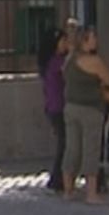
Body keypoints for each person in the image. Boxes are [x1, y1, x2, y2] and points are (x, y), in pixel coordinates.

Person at [62, 25, 109, 204]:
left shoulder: (70, 58)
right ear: (85, 40)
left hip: (70, 107)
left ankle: (68, 190)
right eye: (93, 37)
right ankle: (91, 193)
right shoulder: (93, 61)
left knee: (72, 148)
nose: (96, 40)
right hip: (90, 109)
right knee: (90, 149)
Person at [39, 27, 69, 191]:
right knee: (64, 144)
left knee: (64, 143)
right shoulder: (57, 62)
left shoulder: (51, 61)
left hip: (53, 107)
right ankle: (57, 178)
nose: (66, 44)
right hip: (58, 107)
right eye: (63, 41)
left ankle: (60, 178)